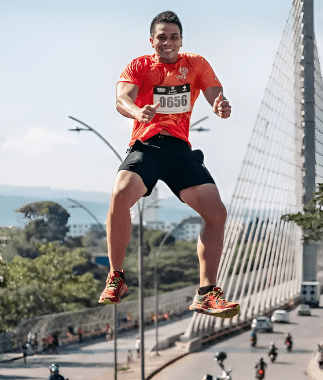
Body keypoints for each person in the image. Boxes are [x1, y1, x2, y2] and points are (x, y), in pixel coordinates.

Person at [99, 10, 239, 320]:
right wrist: (137, 112)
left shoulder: (195, 64)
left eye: (173, 37)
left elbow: (215, 92)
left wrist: (219, 104)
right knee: (120, 194)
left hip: (179, 150)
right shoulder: (140, 66)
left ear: (181, 40)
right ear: (152, 41)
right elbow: (122, 98)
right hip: (148, 145)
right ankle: (116, 277)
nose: (168, 42)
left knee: (217, 213)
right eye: (161, 37)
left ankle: (206, 294)